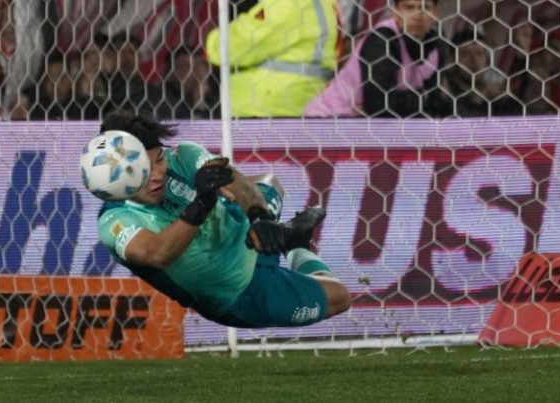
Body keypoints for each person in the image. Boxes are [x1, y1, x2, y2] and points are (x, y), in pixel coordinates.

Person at [86, 111, 351, 328]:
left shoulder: (182, 157)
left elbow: (235, 181)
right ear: (120, 177)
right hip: (244, 293)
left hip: (250, 234)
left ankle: (277, 234)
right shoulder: (114, 220)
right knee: (340, 297)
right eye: (145, 168)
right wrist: (202, 203)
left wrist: (259, 218)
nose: (157, 174)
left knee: (268, 183)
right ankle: (296, 245)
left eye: (159, 160)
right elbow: (156, 254)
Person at [304, 0, 452, 118]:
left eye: (425, 7)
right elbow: (379, 105)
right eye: (409, 7)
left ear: (436, 14)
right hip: (331, 120)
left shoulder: (437, 47)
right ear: (395, 11)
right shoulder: (382, 41)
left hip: (370, 126)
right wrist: (423, 99)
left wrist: (426, 100)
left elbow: (433, 102)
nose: (418, 14)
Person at [204, 0, 340, 117]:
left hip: (264, 110)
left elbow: (227, 48)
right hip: (295, 105)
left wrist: (208, 43)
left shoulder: (284, 4)